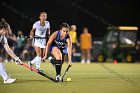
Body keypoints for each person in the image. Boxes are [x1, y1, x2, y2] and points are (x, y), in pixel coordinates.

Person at [0, 18, 22, 84]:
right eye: (7, 30)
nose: (8, 32)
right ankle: (6, 79)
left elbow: (8, 49)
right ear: (3, 29)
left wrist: (16, 58)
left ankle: (5, 77)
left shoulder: (3, 37)